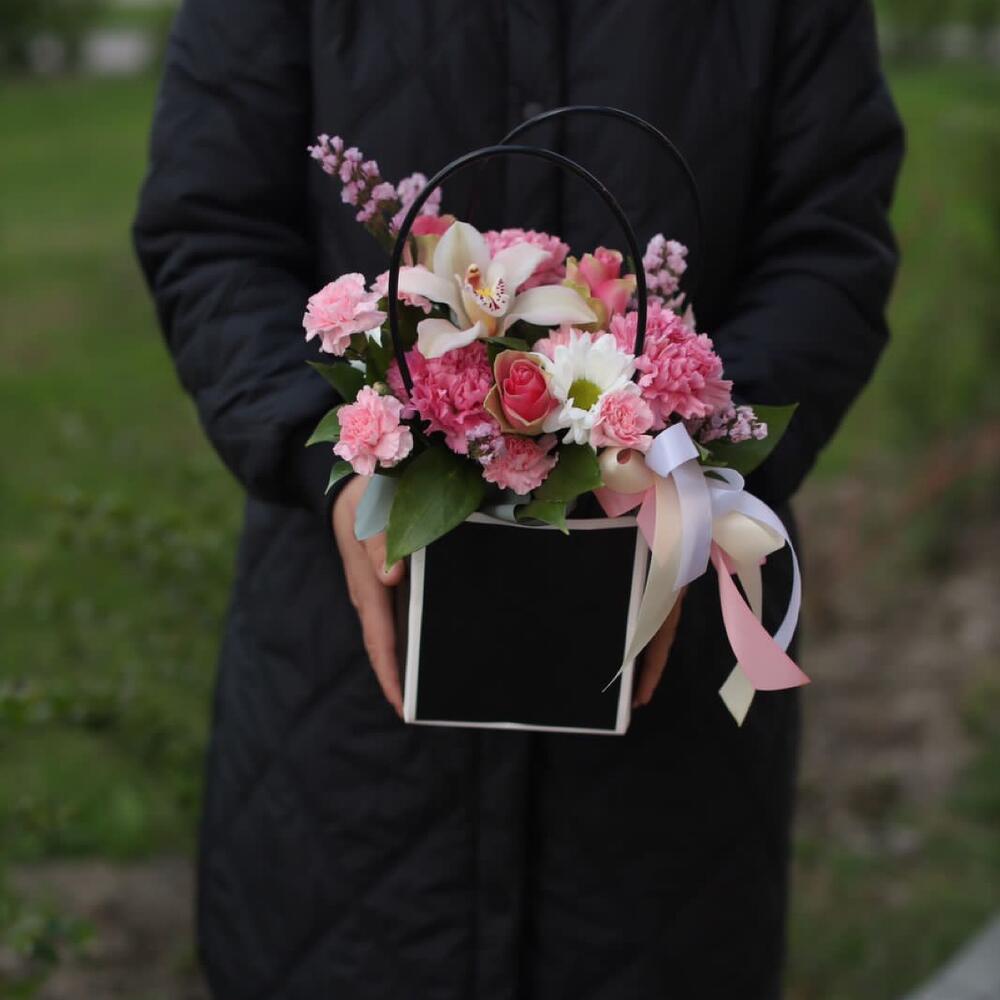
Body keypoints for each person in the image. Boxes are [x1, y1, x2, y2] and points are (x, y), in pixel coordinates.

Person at [133, 2, 903, 997]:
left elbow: (828, 245)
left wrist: (684, 458)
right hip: (347, 712)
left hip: (663, 737)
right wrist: (332, 451)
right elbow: (211, 229)